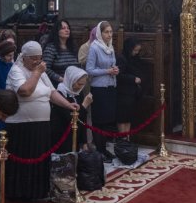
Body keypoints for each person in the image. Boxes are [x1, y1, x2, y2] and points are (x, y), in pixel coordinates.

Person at [4, 41, 80, 200]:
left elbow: (52, 93)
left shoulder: (41, 71)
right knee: (24, 161)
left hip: (42, 125)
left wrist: (68, 105)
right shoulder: (16, 70)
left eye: (39, 58)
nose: (37, 61)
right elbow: (25, 91)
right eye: (33, 58)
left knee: (40, 159)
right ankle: (20, 193)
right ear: (24, 57)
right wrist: (37, 73)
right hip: (21, 127)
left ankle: (38, 192)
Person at [85, 21, 119, 163]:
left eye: (111, 32)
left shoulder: (110, 47)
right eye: (106, 32)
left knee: (107, 121)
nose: (109, 35)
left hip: (110, 86)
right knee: (99, 121)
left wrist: (115, 70)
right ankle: (99, 150)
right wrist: (107, 71)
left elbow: (112, 65)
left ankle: (104, 149)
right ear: (100, 33)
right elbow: (89, 70)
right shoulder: (94, 47)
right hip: (98, 89)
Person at [52, 66, 93, 152]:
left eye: (83, 84)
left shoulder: (78, 93)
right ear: (71, 80)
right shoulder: (60, 94)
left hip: (75, 136)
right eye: (79, 84)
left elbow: (82, 119)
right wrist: (84, 105)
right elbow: (70, 118)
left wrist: (84, 142)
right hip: (62, 136)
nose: (80, 87)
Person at [114, 37, 146, 136]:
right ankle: (122, 139)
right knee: (122, 118)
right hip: (123, 93)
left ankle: (126, 139)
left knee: (128, 118)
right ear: (129, 48)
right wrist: (133, 79)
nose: (136, 52)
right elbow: (119, 75)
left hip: (132, 94)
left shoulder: (135, 58)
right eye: (135, 50)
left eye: (138, 50)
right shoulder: (121, 58)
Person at [42, 18, 79, 86]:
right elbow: (45, 68)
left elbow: (77, 65)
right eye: (63, 28)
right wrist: (61, 79)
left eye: (68, 28)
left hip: (74, 84)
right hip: (58, 85)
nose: (67, 30)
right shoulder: (51, 48)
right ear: (57, 31)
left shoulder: (72, 47)